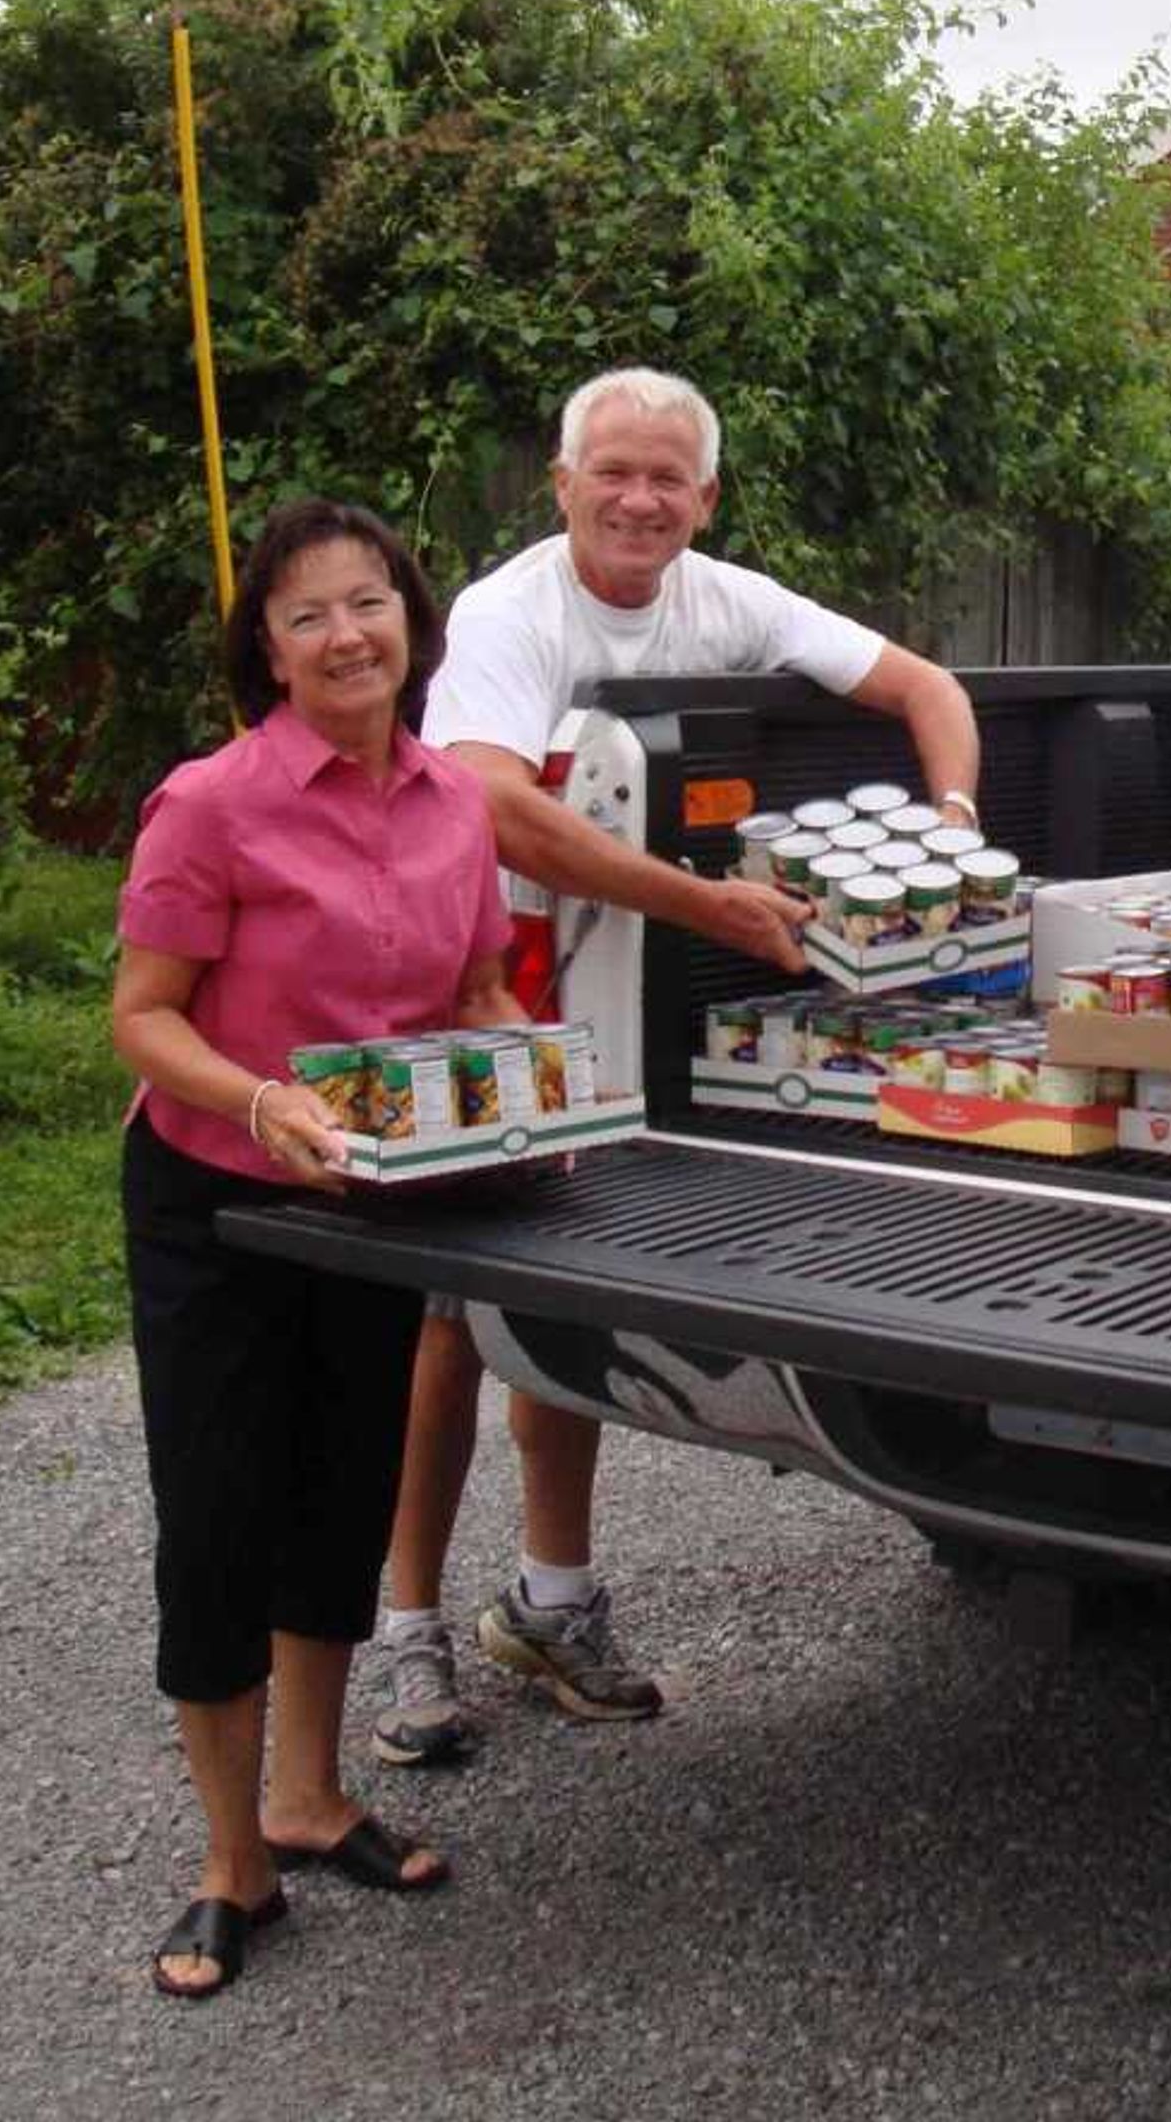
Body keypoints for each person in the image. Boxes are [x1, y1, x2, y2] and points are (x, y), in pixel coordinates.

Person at [369, 365, 982, 1761]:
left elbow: (927, 686)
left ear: (706, 498)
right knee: (447, 1317)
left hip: (630, 979)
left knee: (564, 1292)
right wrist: (705, 904)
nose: (639, 499)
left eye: (668, 479)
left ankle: (551, 1600)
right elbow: (493, 809)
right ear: (564, 482)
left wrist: (949, 826)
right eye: (614, 472)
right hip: (488, 980)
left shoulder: (732, 597)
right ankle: (407, 1630)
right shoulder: (508, 613)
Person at [108, 499, 508, 2001]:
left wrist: (528, 1077)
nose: (348, 634)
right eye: (308, 616)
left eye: (369, 602)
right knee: (217, 1513)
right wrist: (263, 1096)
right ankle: (233, 1865)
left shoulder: (454, 802)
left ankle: (312, 1795)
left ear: (410, 615)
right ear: (266, 653)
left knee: (344, 1495)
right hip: (216, 1195)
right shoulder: (209, 804)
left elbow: (471, 988)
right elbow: (142, 1019)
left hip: (372, 1199)